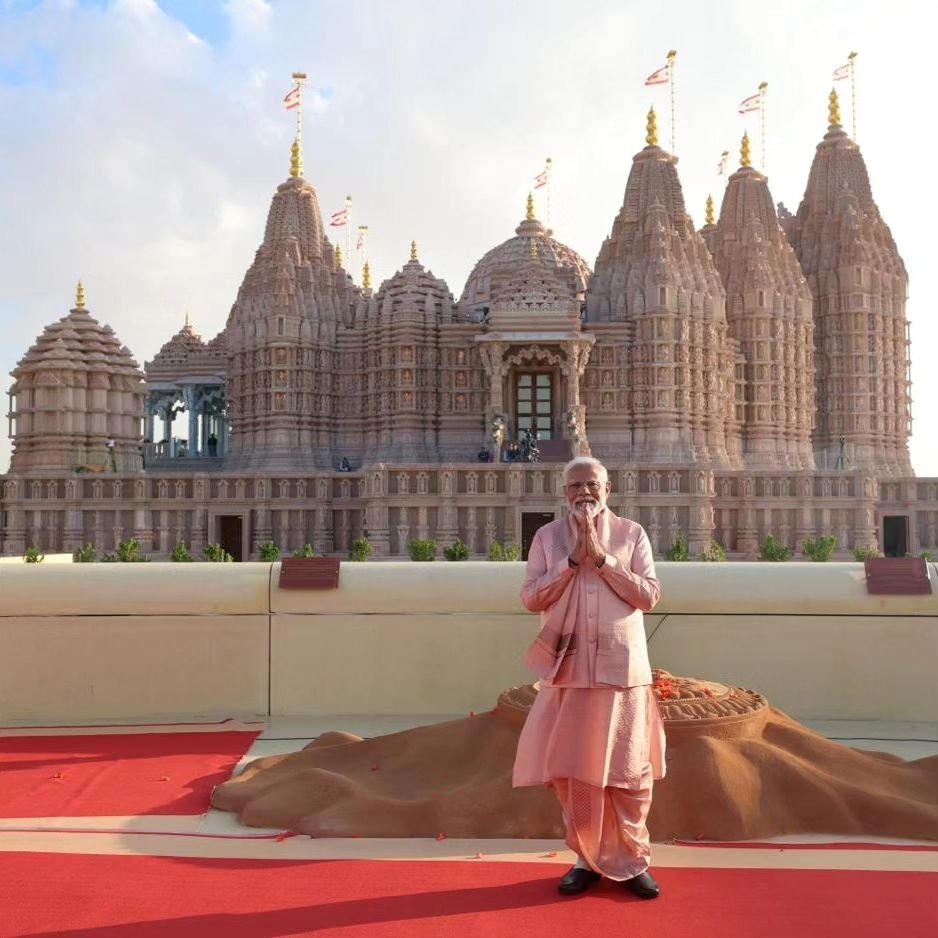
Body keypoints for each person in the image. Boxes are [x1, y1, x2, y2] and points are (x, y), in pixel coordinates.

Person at [513, 456, 665, 898]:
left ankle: (634, 860)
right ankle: (587, 859)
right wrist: (570, 563)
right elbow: (529, 597)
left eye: (592, 484)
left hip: (623, 669)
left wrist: (602, 561)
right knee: (575, 774)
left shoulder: (631, 534)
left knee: (629, 772)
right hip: (570, 669)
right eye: (576, 485)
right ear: (565, 493)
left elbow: (649, 595)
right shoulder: (547, 538)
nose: (585, 492)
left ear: (608, 488)